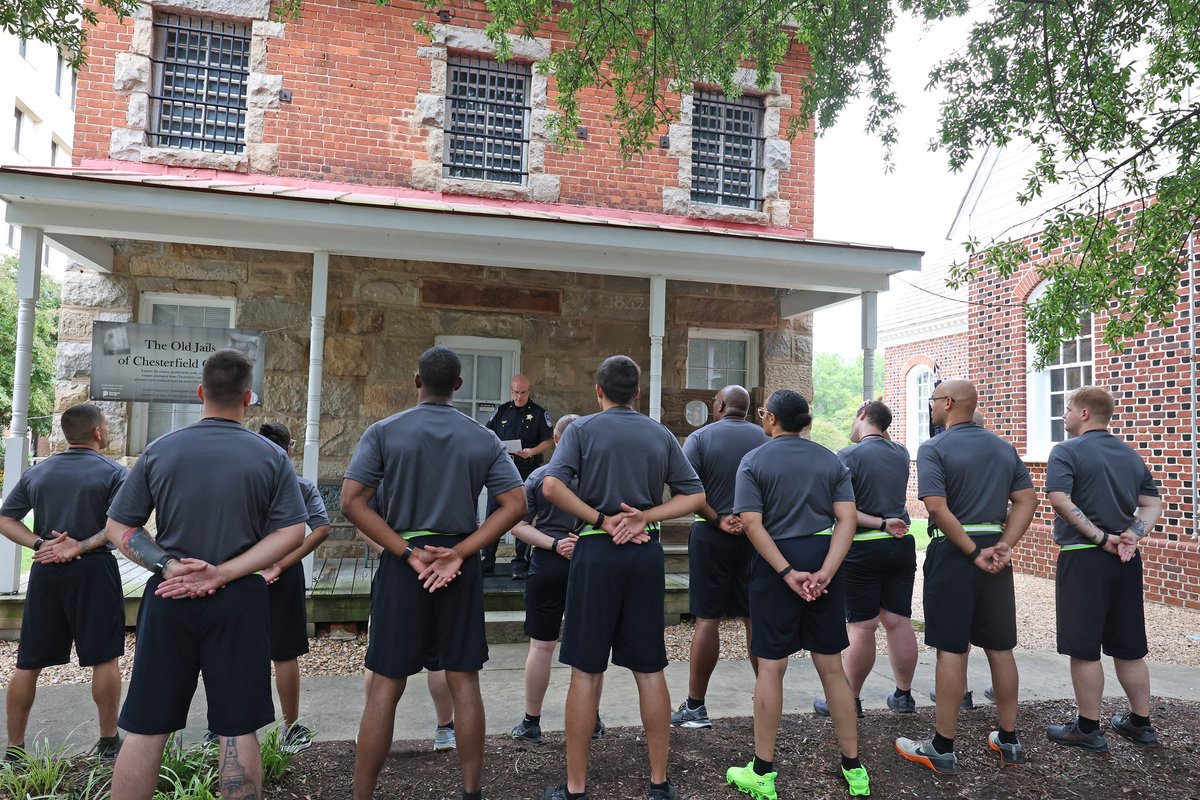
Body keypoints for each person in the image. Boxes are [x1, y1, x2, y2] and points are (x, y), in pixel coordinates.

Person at [104, 349, 309, 800]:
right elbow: (293, 530)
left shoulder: (160, 450)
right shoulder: (271, 456)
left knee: (145, 728)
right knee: (238, 730)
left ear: (201, 393)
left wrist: (168, 565)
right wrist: (225, 573)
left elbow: (118, 526)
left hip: (170, 594)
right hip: (238, 602)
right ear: (248, 397)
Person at [342, 345, 525, 800]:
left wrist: (407, 553)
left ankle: (361, 794)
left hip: (405, 566)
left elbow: (351, 502)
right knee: (464, 680)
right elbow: (517, 504)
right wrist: (460, 552)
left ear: (417, 380)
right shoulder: (483, 438)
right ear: (458, 387)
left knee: (385, 684)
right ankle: (470, 793)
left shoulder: (384, 431)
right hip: (457, 568)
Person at [539, 355, 705, 800]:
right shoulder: (659, 433)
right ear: (636, 393)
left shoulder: (580, 431)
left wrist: (602, 519)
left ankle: (576, 788)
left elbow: (550, 487)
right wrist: (645, 516)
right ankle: (658, 784)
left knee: (586, 672)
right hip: (644, 553)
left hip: (596, 551)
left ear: (599, 391)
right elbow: (694, 496)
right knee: (649, 670)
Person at [724, 390, 870, 800]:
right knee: (832, 668)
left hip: (776, 567)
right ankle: (854, 769)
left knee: (771, 667)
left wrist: (787, 572)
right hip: (824, 561)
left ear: (770, 418)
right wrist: (826, 570)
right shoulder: (831, 460)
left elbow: (752, 524)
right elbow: (847, 520)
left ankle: (763, 773)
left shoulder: (753, 461)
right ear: (805, 420)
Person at [896, 379, 1037, 775]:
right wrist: (1004, 545)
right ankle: (1009, 739)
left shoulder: (933, 448)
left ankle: (942, 747)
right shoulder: (1002, 447)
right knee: (1000, 647)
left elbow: (937, 508)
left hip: (956, 555)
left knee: (952, 650)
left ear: (950, 403)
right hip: (995, 551)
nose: (930, 407)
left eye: (933, 401)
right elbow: (1027, 500)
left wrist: (973, 552)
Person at [0, 404, 127, 761]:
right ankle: (107, 741)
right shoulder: (115, 472)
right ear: (98, 432)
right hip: (94, 570)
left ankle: (14, 750)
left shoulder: (38, 472)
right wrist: (79, 546)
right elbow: (121, 527)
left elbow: (5, 519)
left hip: (46, 573)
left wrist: (42, 544)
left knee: (28, 662)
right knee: (105, 658)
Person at [1044, 386, 1163, 752]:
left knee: (1084, 648)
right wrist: (1132, 536)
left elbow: (1059, 498)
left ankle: (1087, 728)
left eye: (1067, 409)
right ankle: (1140, 724)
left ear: (1084, 414)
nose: (1063, 415)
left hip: (1084, 558)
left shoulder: (1065, 451)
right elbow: (1152, 503)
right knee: (1129, 647)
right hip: (1126, 562)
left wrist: (1101, 538)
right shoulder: (1129, 455)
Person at [670, 385, 768, 730]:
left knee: (707, 619)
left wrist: (718, 519)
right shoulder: (765, 438)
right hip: (757, 536)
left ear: (721, 405)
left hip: (711, 535)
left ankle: (696, 707)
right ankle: (767, 701)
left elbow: (686, 491)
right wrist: (748, 519)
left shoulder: (699, 439)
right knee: (754, 617)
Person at [813, 400, 916, 720]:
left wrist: (880, 522)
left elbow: (841, 511)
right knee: (898, 621)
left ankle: (848, 700)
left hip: (863, 547)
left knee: (862, 625)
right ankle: (903, 695)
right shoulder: (900, 453)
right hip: (901, 546)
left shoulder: (847, 456)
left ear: (862, 416)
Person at [509, 413, 608, 744]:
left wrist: (553, 543)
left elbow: (518, 525)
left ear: (555, 439)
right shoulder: (600, 479)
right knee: (589, 644)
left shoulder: (538, 476)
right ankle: (590, 719)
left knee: (541, 645)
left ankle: (530, 722)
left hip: (548, 564)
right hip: (590, 564)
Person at [256, 422, 333, 753]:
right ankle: (290, 729)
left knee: (240, 651)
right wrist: (281, 564)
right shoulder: (299, 485)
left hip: (241, 572)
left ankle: (228, 727)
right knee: (285, 653)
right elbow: (321, 529)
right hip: (282, 575)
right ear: (288, 449)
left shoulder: (247, 483)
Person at [356, 520, 457, 752]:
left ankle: (371, 726)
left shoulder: (382, 482)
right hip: (441, 561)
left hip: (402, 562)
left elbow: (361, 519)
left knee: (382, 655)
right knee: (437, 655)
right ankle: (445, 729)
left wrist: (392, 551)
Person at [482, 374, 554, 578]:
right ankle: (487, 560)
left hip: (526, 468)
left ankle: (520, 563)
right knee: (494, 514)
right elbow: (488, 434)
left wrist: (531, 451)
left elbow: (548, 441)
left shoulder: (539, 413)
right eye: (515, 392)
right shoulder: (503, 410)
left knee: (523, 514)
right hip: (502, 469)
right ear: (511, 390)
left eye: (522, 393)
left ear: (529, 391)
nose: (519, 396)